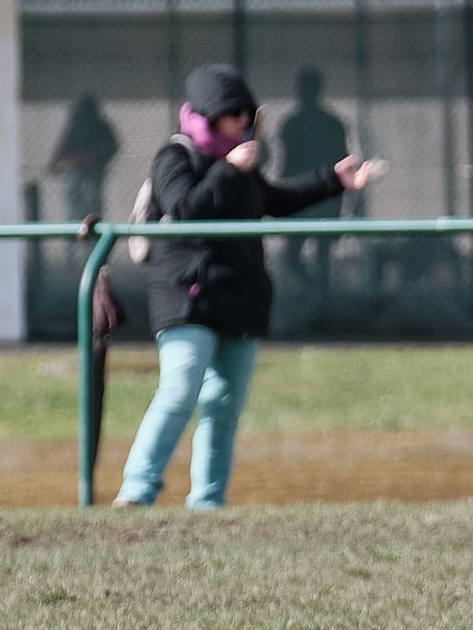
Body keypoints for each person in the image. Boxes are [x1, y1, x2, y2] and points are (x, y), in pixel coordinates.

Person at [113, 64, 382, 509]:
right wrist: (228, 171)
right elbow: (182, 211)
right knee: (180, 391)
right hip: (187, 296)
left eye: (247, 114)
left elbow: (273, 201)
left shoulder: (241, 162)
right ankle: (138, 491)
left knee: (223, 406)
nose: (244, 123)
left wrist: (334, 181)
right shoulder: (176, 156)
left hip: (240, 298)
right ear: (209, 114)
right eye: (234, 113)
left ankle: (209, 502)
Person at [278, 66, 350, 306]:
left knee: (323, 253)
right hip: (298, 196)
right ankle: (310, 295)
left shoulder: (332, 124)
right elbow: (287, 163)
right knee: (292, 256)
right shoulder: (291, 124)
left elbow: (342, 163)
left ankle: (322, 303)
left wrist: (340, 198)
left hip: (325, 197)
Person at [50, 94, 119, 221]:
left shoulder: (100, 125)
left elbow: (112, 146)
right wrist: (55, 163)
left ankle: (94, 224)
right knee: (73, 198)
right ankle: (74, 227)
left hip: (94, 169)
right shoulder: (75, 124)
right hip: (75, 168)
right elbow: (64, 145)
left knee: (93, 200)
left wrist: (95, 158)